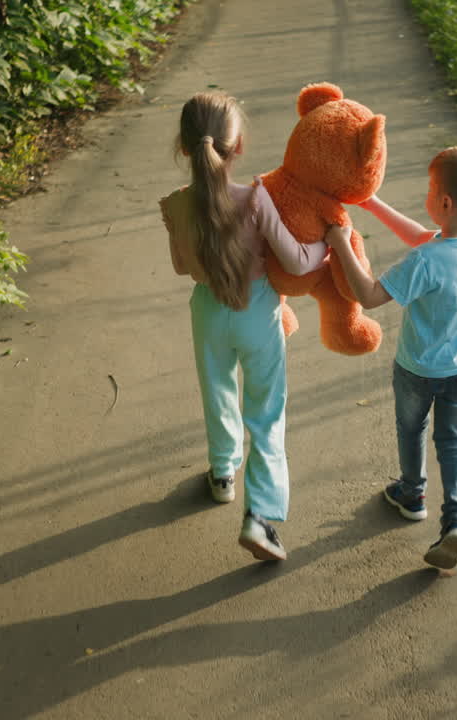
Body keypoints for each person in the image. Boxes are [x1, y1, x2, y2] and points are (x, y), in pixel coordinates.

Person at [158, 91, 328, 562]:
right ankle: (261, 518)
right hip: (258, 314)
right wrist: (327, 249)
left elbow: (182, 269)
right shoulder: (256, 198)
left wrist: (174, 226)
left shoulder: (175, 205)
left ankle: (221, 475)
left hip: (209, 311)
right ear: (238, 147)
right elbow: (295, 258)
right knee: (267, 413)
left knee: (217, 389)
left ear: (184, 147)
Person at [325, 145, 457, 570]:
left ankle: (412, 493)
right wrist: (371, 203)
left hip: (417, 369)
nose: (426, 195)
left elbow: (368, 295)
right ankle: (456, 519)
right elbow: (421, 234)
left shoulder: (425, 262)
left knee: (411, 428)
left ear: (445, 202)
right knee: (454, 440)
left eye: (430, 189)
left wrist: (341, 243)